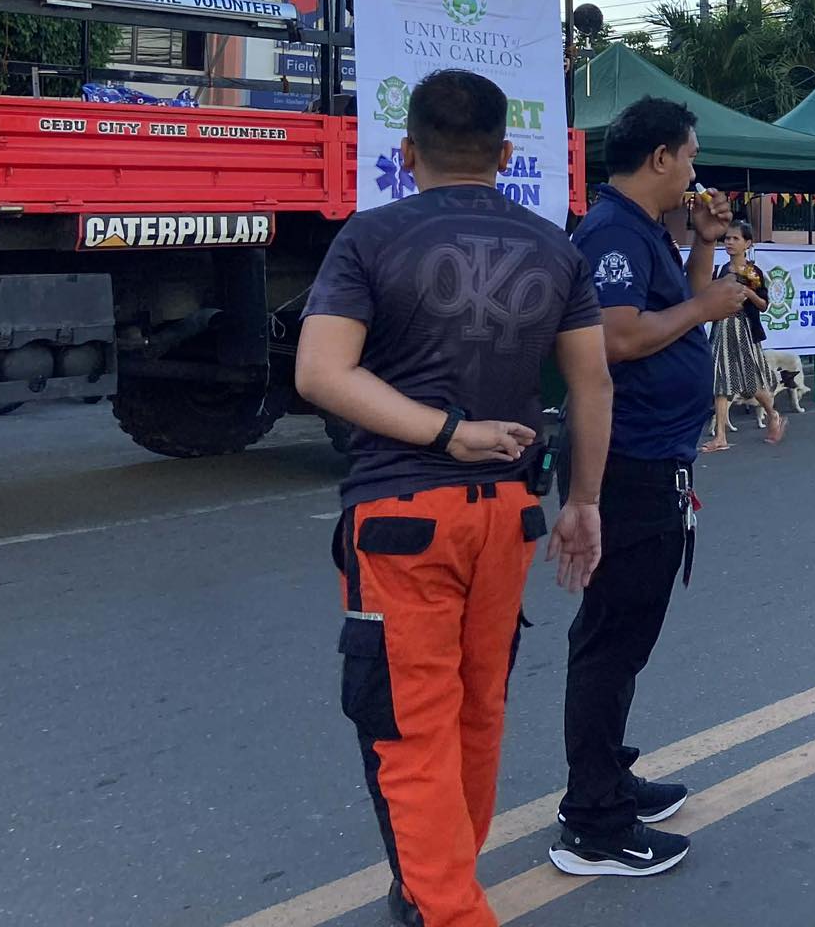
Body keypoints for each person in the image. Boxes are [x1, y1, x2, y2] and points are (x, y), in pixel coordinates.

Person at [294, 69, 614, 927]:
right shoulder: (557, 247)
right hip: (509, 515)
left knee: (409, 727)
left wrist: (441, 432)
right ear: (507, 154)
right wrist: (585, 501)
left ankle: (446, 906)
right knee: (479, 709)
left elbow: (321, 372)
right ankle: (445, 884)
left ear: (406, 153)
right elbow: (591, 387)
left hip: (402, 518)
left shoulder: (370, 237)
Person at [548, 97, 760, 878]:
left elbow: (669, 314)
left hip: (652, 461)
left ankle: (610, 775)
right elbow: (615, 335)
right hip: (628, 464)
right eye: (693, 156)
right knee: (610, 640)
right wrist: (708, 300)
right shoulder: (611, 231)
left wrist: (701, 256)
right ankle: (593, 818)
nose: (698, 172)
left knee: (627, 636)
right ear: (662, 158)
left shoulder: (648, 232)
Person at [703, 220, 781, 451]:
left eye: (735, 238)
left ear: (747, 243)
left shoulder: (753, 272)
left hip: (743, 328)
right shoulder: (720, 270)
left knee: (751, 382)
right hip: (721, 328)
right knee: (721, 379)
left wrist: (748, 292)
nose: (729, 242)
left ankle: (772, 414)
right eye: (727, 238)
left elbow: (764, 305)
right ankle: (721, 437)